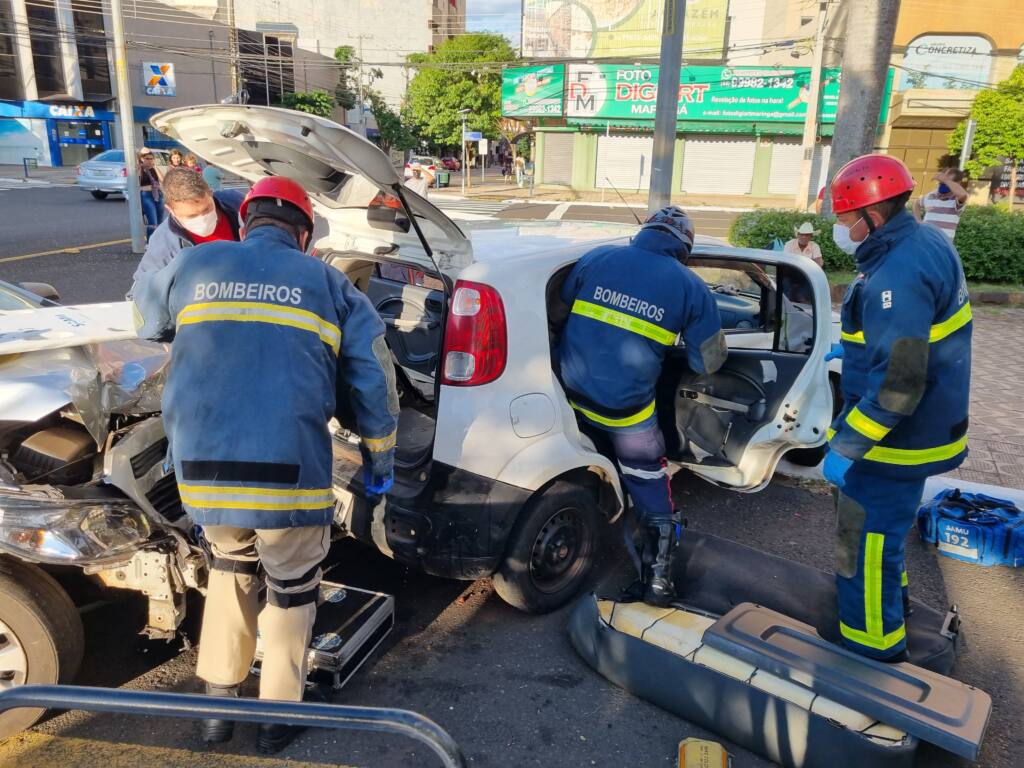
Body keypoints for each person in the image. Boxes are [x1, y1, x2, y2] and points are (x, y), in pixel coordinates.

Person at [133, 177, 399, 753]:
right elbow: (373, 379)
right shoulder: (329, 283)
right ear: (304, 235)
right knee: (292, 588)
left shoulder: (195, 263)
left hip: (203, 472)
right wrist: (380, 457)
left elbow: (147, 322)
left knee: (229, 567)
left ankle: (216, 705)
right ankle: (277, 715)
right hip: (289, 473)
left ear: (247, 220)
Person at [825, 154, 972, 662]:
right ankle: (896, 606)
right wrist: (858, 349)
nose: (842, 229)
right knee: (885, 534)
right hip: (932, 424)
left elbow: (899, 385)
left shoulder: (896, 274)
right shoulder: (925, 241)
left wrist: (846, 447)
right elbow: (914, 338)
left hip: (899, 441)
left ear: (874, 216)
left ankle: (871, 650)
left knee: (861, 540)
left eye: (846, 219)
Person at [557, 206, 727, 607]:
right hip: (624, 411)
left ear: (644, 232)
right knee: (649, 481)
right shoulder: (691, 287)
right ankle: (657, 582)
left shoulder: (599, 258)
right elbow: (709, 362)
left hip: (569, 395)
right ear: (685, 248)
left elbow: (562, 308)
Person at [131, 167, 245, 287]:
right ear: (170, 210)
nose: (203, 219)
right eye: (192, 216)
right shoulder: (164, 242)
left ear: (210, 193)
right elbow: (141, 288)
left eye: (207, 209)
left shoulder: (236, 202)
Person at [913, 168, 968, 240]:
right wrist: (918, 221)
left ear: (957, 183)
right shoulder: (931, 195)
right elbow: (916, 204)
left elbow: (963, 195)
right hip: (925, 240)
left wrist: (946, 180)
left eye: (947, 182)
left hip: (943, 245)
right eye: (941, 182)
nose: (943, 185)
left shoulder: (956, 199)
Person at [138, 149, 164, 240]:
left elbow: (162, 180)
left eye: (152, 159)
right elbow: (137, 184)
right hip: (146, 195)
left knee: (160, 222)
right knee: (153, 222)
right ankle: (150, 243)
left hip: (158, 194)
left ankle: (158, 242)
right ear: (142, 159)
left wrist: (156, 167)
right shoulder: (139, 169)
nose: (150, 161)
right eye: (147, 158)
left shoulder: (153, 169)